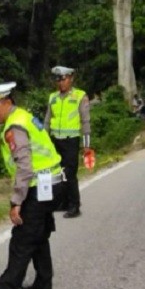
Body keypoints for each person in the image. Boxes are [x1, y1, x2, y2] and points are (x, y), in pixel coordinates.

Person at [0, 81, 63, 289]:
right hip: (52, 184)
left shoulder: (14, 127)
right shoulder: (24, 116)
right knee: (38, 236)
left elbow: (24, 168)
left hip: (38, 187)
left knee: (21, 242)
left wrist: (16, 202)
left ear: (7, 102)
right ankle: (43, 285)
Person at [45, 66, 91, 218]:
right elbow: (47, 121)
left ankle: (74, 206)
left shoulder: (80, 96)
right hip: (55, 140)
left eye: (63, 79)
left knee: (70, 174)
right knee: (58, 173)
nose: (60, 83)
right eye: (58, 80)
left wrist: (86, 145)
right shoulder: (53, 97)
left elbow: (85, 122)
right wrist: (44, 141)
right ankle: (63, 203)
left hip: (71, 140)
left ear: (71, 78)